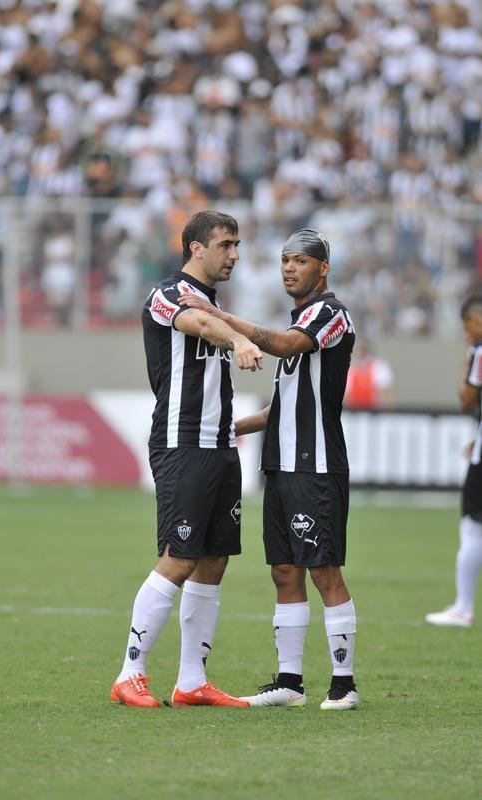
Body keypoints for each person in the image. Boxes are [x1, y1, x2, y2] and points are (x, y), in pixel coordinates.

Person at [179, 228, 359, 710]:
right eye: (284, 260)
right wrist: (229, 426)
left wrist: (220, 317)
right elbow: (282, 408)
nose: (289, 268)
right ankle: (290, 681)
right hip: (280, 465)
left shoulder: (330, 314)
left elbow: (281, 344)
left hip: (316, 465)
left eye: (300, 261)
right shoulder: (300, 316)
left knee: (323, 570)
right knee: (284, 570)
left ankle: (344, 683)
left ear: (323, 269)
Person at [110, 210, 262, 708]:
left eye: (237, 245)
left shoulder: (214, 302)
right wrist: (237, 337)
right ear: (196, 247)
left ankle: (191, 681)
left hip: (220, 446)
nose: (234, 255)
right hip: (182, 442)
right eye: (226, 245)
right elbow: (195, 322)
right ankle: (130, 672)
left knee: (214, 559)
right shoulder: (169, 294)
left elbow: (209, 318)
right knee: (180, 558)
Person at [426, 295, 482, 628]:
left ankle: (462, 608)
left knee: (472, 525)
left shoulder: (478, 351)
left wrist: (465, 364)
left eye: (469, 325)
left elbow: (466, 399)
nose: (467, 334)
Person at [344, 339, 394, 409]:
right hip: (354, 411)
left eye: (363, 350)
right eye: (359, 350)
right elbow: (346, 395)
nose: (361, 352)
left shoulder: (379, 366)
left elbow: (387, 392)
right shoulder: (350, 369)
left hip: (374, 411)